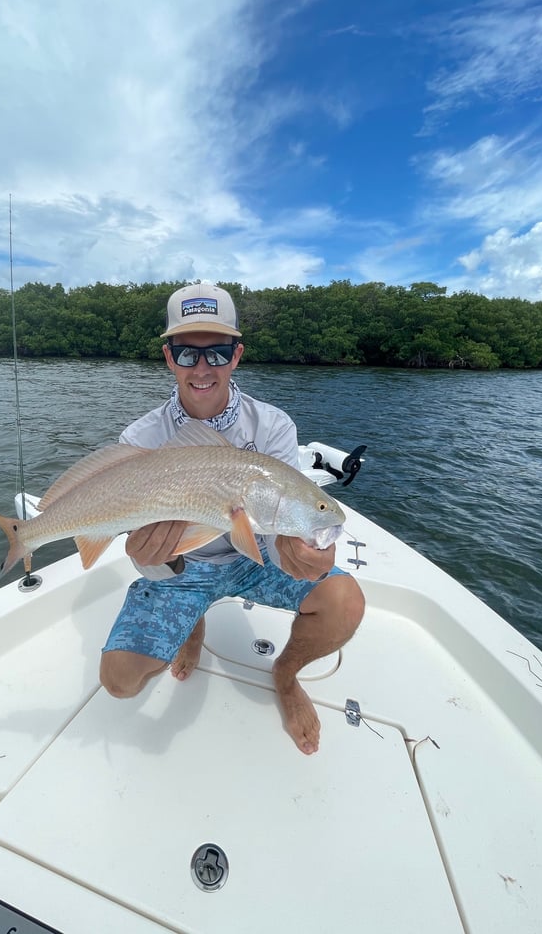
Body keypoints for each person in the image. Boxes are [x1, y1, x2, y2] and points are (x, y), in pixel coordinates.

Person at [99, 283, 365, 754]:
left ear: (237, 355)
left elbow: (283, 532)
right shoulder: (141, 437)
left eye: (217, 352)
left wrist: (305, 551)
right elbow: (142, 543)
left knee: (345, 601)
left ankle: (285, 675)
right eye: (186, 353)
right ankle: (192, 623)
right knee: (119, 682)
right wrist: (154, 563)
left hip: (254, 557)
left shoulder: (274, 427)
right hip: (183, 570)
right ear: (168, 357)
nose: (202, 368)